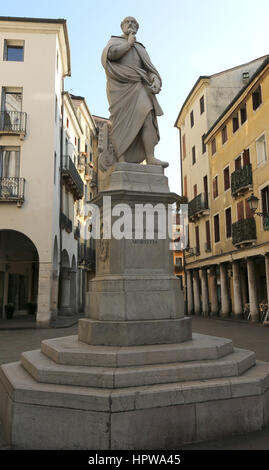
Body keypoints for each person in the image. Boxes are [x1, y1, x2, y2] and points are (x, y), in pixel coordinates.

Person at [101, 16, 168, 168]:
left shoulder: (140, 48)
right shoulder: (114, 41)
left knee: (147, 118)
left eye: (133, 23)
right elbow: (111, 55)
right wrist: (128, 44)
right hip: (119, 90)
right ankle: (121, 159)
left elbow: (149, 70)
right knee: (121, 123)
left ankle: (150, 157)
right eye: (127, 22)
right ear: (122, 26)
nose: (130, 24)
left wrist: (156, 81)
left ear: (137, 28)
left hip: (139, 87)